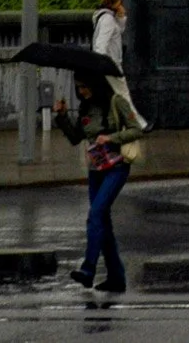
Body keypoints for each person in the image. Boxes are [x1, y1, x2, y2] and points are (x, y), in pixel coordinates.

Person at [53, 70, 145, 295]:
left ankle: (89, 269)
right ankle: (116, 277)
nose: (82, 92)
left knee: (95, 214)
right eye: (79, 87)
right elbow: (76, 137)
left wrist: (111, 138)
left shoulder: (116, 102)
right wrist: (63, 116)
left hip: (117, 167)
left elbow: (136, 130)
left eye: (85, 86)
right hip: (96, 169)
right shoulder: (85, 107)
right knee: (102, 222)